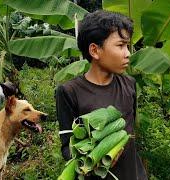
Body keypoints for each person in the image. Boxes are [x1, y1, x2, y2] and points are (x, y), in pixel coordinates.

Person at [56, 10, 147, 179]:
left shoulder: (129, 85)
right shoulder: (69, 92)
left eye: (127, 46)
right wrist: (93, 160)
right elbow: (67, 147)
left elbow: (130, 130)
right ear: (95, 50)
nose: (128, 53)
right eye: (120, 45)